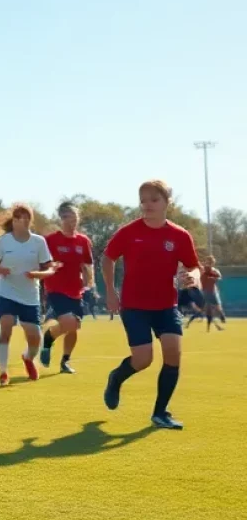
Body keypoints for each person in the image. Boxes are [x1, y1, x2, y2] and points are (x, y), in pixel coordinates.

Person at [102, 180, 199, 430]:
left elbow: (193, 266)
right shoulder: (128, 232)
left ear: (167, 202)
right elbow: (108, 257)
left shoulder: (179, 235)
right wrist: (111, 292)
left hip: (166, 306)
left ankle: (160, 413)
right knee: (143, 359)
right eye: (143, 200)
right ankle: (116, 379)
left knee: (173, 355)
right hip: (134, 306)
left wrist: (193, 277)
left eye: (153, 200)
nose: (147, 205)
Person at [0, 205, 54, 385]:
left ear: (30, 221)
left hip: (30, 296)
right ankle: (3, 372)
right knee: (6, 326)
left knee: (35, 338)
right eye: (18, 218)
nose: (22, 221)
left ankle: (28, 358)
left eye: (26, 218)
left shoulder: (39, 242)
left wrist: (37, 274)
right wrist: (0, 269)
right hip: (8, 292)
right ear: (13, 221)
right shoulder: (4, 242)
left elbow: (50, 269)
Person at [39, 202, 95, 373]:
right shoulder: (51, 240)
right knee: (69, 322)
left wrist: (89, 283)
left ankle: (64, 361)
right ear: (62, 219)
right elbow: (42, 262)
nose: (73, 221)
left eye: (75, 217)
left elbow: (87, 264)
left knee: (74, 328)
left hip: (76, 290)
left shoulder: (83, 241)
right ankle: (48, 339)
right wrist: (50, 267)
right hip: (55, 288)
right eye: (69, 218)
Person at [200, 256, 225, 332]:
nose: (209, 263)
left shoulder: (215, 270)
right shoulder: (203, 270)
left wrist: (214, 279)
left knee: (217, 307)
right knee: (208, 310)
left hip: (213, 291)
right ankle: (209, 327)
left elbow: (220, 277)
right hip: (205, 292)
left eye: (211, 262)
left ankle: (221, 316)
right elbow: (201, 278)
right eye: (208, 261)